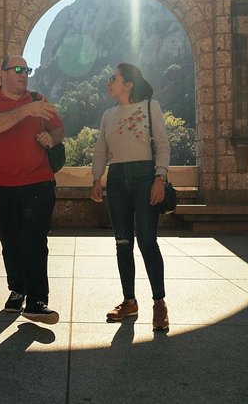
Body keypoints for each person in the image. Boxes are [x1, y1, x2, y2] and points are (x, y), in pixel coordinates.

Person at [0, 55, 64, 325]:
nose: (23, 74)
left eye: (26, 70)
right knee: (10, 239)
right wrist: (26, 111)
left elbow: (59, 130)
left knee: (35, 240)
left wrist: (51, 137)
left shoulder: (38, 98)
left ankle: (37, 300)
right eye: (17, 69)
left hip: (38, 182)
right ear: (2, 75)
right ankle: (17, 290)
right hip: (0, 185)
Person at [90, 63, 171, 332]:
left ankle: (159, 303)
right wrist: (96, 178)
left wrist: (160, 177)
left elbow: (162, 144)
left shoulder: (150, 107)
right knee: (122, 242)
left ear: (128, 84)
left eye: (113, 78)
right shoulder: (107, 115)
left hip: (144, 177)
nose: (108, 82)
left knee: (147, 240)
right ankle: (129, 301)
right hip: (116, 180)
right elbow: (101, 148)